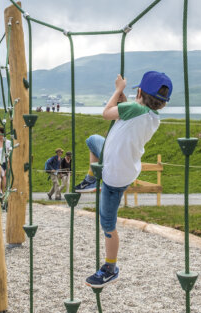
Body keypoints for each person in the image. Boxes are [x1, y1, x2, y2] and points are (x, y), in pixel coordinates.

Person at [73, 71, 172, 288]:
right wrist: (126, 102)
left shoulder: (135, 109)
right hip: (125, 168)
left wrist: (118, 89)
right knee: (93, 141)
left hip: (113, 174)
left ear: (139, 92)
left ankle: (110, 268)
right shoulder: (152, 117)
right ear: (162, 104)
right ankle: (91, 178)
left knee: (108, 224)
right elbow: (130, 115)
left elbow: (107, 113)